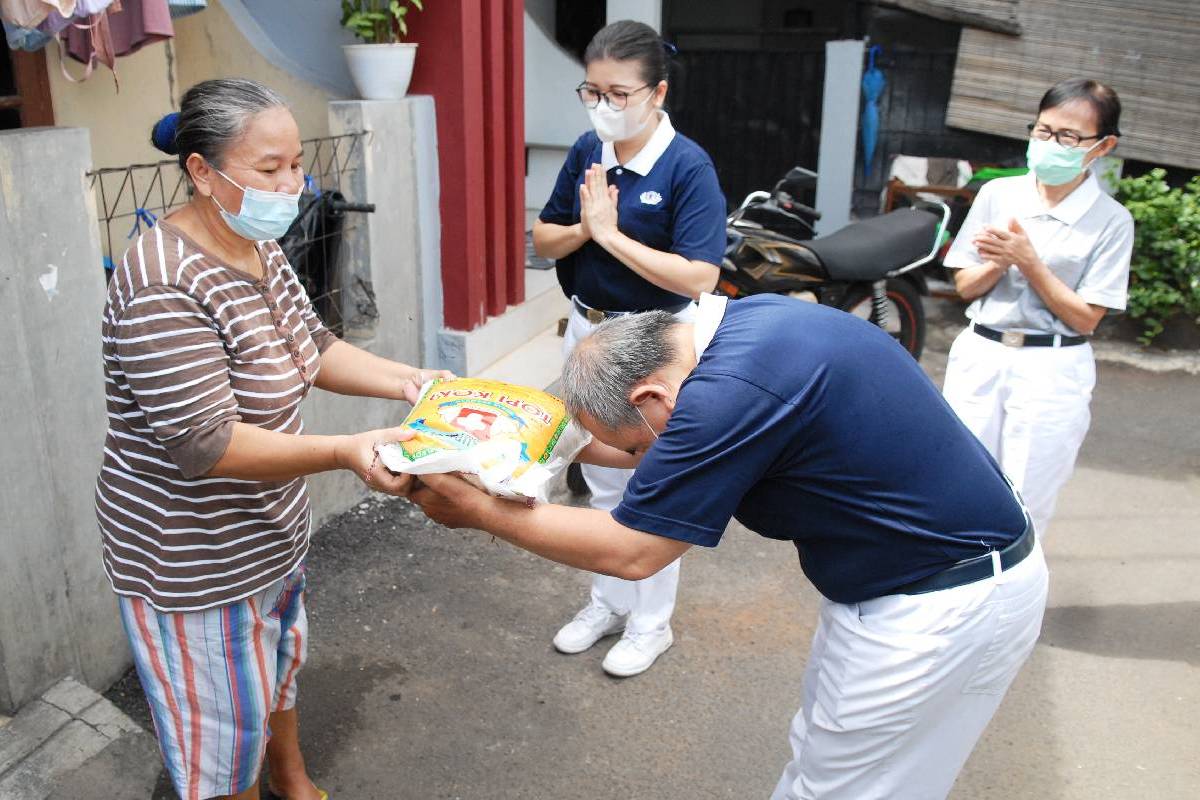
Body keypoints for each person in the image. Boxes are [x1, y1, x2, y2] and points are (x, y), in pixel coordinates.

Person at [410, 294, 1049, 798]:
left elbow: (632, 551)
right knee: (829, 761)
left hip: (939, 604)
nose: (639, 462)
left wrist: (478, 511)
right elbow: (619, 446)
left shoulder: (728, 396)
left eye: (635, 448)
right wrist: (509, 443)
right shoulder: (741, 328)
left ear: (653, 400)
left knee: (851, 787)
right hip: (938, 577)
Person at [97, 78, 445, 800]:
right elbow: (207, 444)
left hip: (268, 535)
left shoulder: (256, 243)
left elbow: (313, 346)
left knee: (277, 671)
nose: (291, 184)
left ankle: (292, 780)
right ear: (201, 170)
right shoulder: (161, 279)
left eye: (295, 164)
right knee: (221, 740)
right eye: (269, 169)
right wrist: (348, 450)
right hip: (195, 560)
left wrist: (410, 381)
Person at [531, 20, 727, 677]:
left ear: (657, 91)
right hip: (590, 331)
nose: (602, 106)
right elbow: (545, 237)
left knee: (652, 482)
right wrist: (584, 231)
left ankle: (652, 623)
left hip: (653, 346)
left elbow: (699, 276)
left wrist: (610, 237)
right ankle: (607, 602)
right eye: (592, 91)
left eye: (619, 93)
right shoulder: (589, 148)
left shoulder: (686, 166)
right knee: (602, 476)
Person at [942, 78, 1134, 539]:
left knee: (1025, 502)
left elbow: (1087, 317)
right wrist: (1001, 263)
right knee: (956, 484)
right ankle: (961, 601)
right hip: (981, 353)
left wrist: (1029, 262)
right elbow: (966, 285)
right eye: (1043, 131)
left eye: (1068, 136)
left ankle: (1016, 605)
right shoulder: (998, 195)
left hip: (1051, 366)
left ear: (1103, 145)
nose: (1051, 144)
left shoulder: (1111, 220)